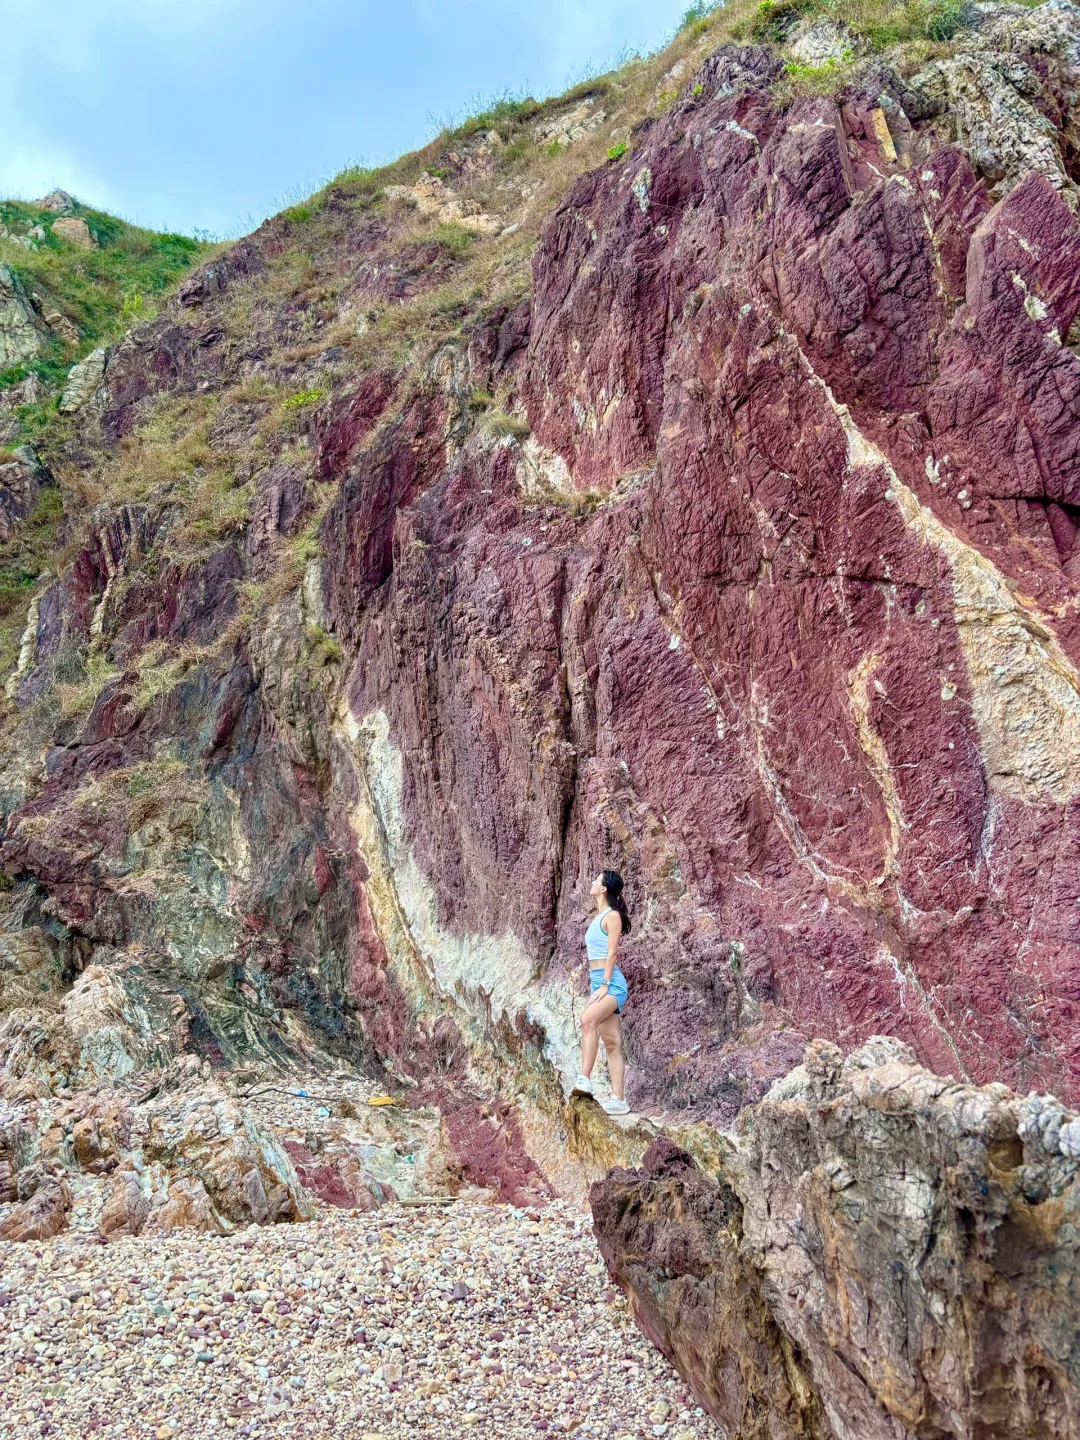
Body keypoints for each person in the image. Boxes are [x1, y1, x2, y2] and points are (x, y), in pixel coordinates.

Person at [570, 869, 631, 1116]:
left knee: (587, 1020)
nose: (593, 882)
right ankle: (619, 1100)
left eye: (597, 880)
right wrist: (598, 984)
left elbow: (612, 953)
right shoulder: (598, 917)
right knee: (612, 1042)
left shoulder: (612, 916)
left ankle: (584, 1079)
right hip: (600, 983)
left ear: (604, 888)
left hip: (612, 984)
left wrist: (605, 984)